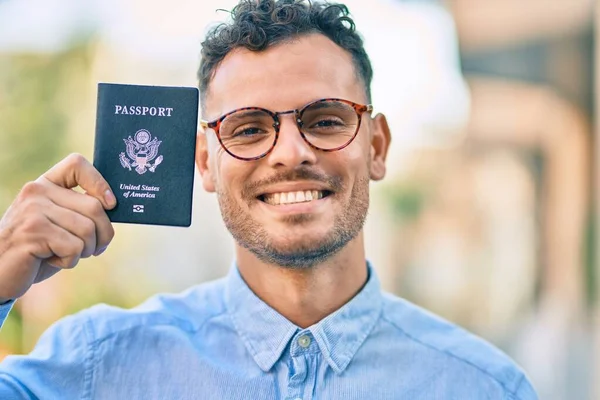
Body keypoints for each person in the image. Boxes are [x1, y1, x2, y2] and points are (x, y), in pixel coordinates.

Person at [0, 0, 537, 398]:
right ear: (206, 163)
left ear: (376, 146)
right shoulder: (94, 366)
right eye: (249, 129)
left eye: (326, 120)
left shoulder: (486, 387)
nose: (290, 152)